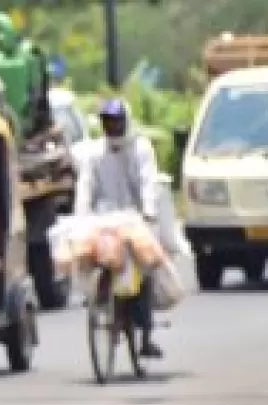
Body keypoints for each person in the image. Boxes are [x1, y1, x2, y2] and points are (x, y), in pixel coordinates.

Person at [71, 97, 186, 359]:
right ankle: (101, 306)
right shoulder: (94, 153)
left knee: (144, 269)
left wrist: (148, 211)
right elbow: (85, 187)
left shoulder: (140, 149)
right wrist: (81, 217)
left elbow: (148, 182)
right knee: (91, 260)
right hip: (104, 218)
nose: (112, 127)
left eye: (117, 122)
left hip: (135, 218)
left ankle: (145, 335)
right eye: (108, 122)